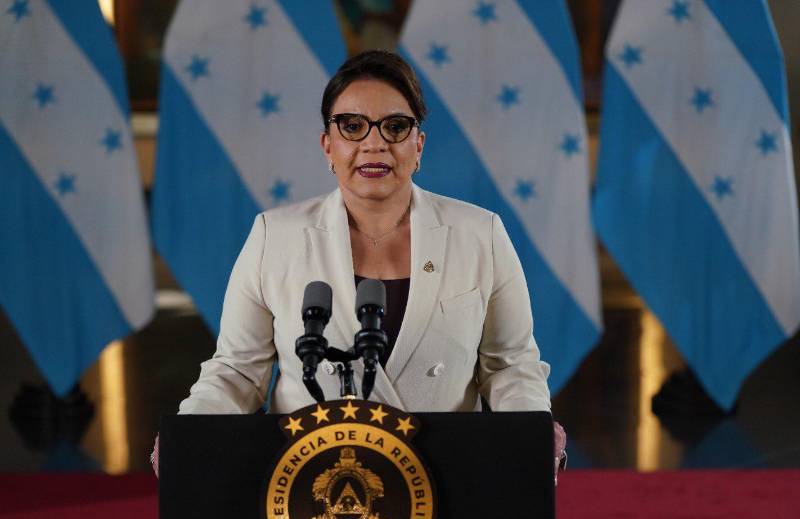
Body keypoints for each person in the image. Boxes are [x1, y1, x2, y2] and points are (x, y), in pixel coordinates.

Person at [151, 49, 566, 477]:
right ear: (328, 146)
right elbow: (238, 371)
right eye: (352, 126)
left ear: (418, 145)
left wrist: (531, 430)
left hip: (445, 477)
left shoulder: (481, 233)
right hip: (309, 485)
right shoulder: (273, 236)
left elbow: (510, 365)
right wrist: (190, 431)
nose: (374, 143)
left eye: (395, 127)